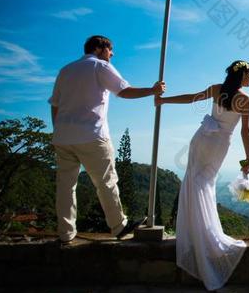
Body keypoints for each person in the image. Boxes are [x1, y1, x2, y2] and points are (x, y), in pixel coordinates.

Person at [48, 35, 166, 244]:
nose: (112, 54)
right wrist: (152, 90)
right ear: (100, 48)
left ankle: (65, 233)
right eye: (110, 50)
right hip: (92, 136)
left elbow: (55, 104)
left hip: (63, 137)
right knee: (106, 182)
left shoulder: (65, 70)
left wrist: (59, 130)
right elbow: (124, 91)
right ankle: (118, 226)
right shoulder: (100, 66)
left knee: (65, 186)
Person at [154, 60, 249, 291]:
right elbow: (245, 131)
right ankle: (206, 237)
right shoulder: (246, 100)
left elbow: (191, 98)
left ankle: (194, 234)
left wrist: (163, 100)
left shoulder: (217, 89)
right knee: (204, 186)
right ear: (241, 76)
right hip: (219, 144)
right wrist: (248, 159)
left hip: (200, 139)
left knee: (194, 183)